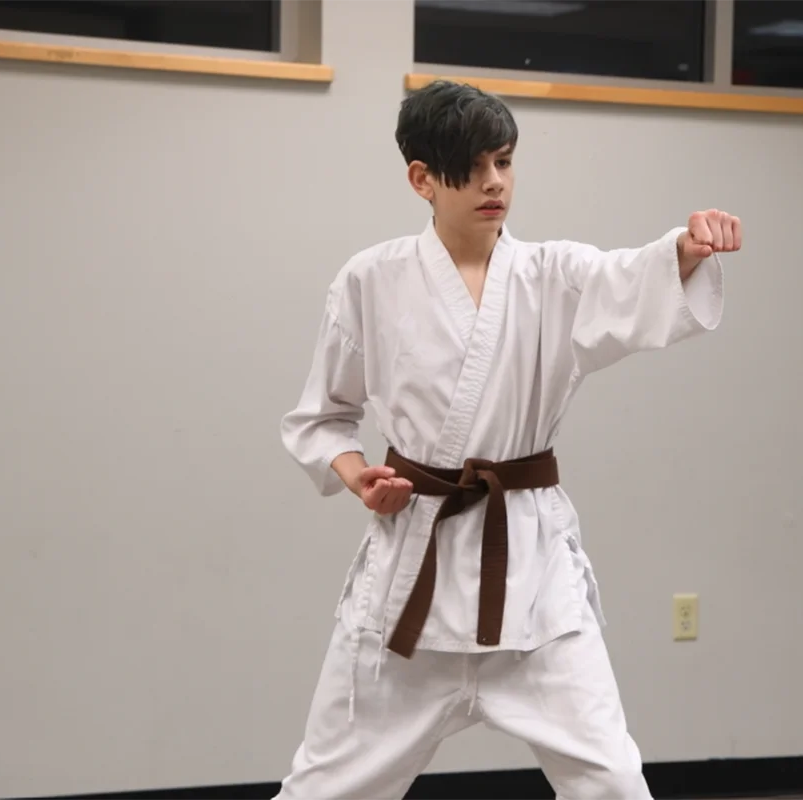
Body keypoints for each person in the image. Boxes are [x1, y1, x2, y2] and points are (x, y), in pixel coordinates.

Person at [275, 79, 741, 800]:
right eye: (474, 166)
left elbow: (632, 279)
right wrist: (360, 473)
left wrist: (685, 247)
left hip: (531, 580)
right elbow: (321, 416)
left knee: (614, 783)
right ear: (422, 179)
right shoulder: (371, 280)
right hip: (412, 585)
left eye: (505, 162)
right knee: (324, 791)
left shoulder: (553, 275)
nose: (495, 183)